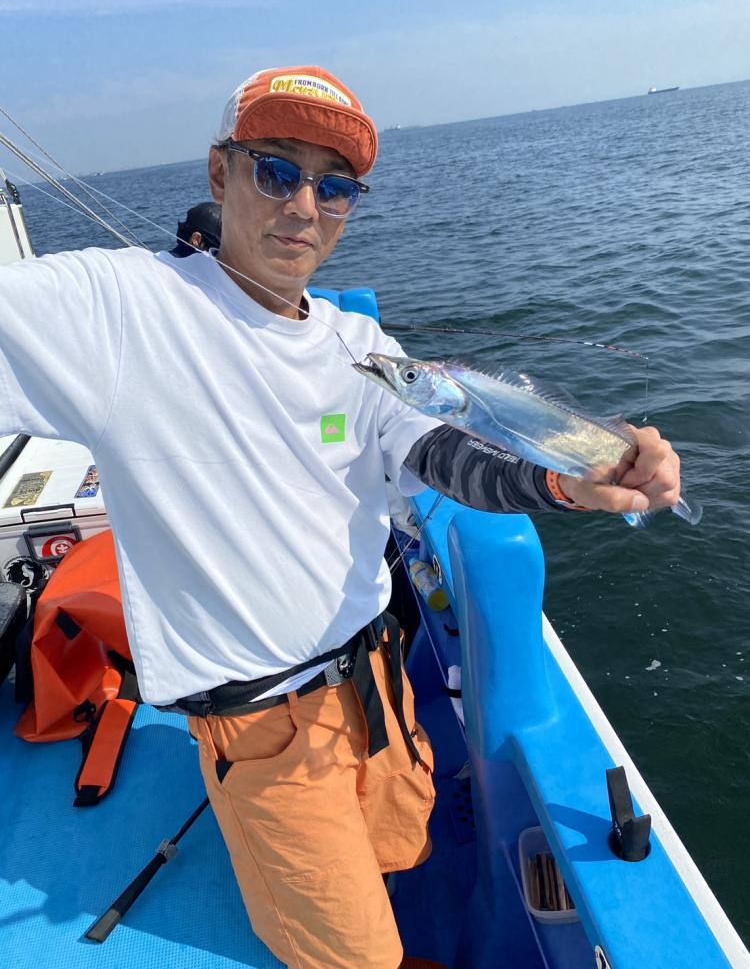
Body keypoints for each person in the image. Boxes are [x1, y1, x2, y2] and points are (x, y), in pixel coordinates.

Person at [0, 65, 681, 969]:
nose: (303, 206)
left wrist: (569, 483)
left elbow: (446, 458)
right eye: (276, 171)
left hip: (376, 685)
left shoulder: (357, 345)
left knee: (403, 853)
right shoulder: (119, 309)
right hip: (261, 727)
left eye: (334, 186)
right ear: (219, 174)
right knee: (356, 957)